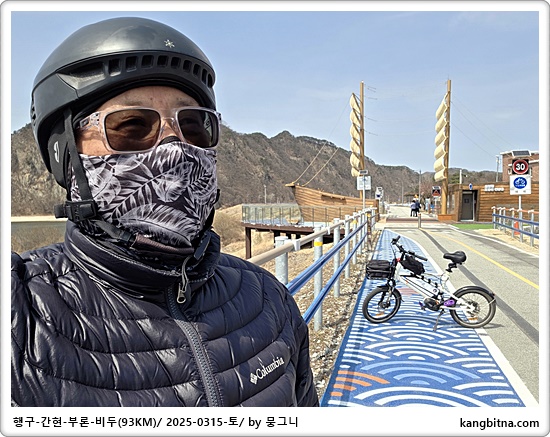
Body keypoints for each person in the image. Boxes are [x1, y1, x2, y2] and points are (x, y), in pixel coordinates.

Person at [11, 17, 319, 407]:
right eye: (131, 126)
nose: (176, 149)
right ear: (66, 157)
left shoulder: (268, 299)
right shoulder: (22, 315)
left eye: (194, 126)